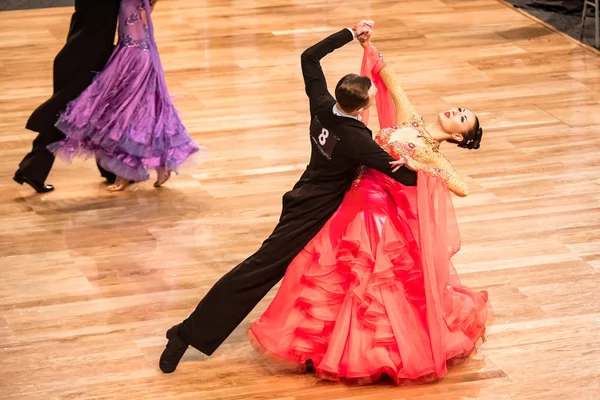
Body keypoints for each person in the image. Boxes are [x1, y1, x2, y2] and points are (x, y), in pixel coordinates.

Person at [158, 22, 419, 374]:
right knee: (260, 270)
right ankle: (185, 333)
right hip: (313, 210)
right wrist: (423, 156)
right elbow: (406, 176)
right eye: (372, 97)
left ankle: (319, 346)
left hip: (316, 198)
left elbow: (309, 57)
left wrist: (348, 34)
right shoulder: (358, 141)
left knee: (329, 274)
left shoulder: (323, 106)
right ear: (359, 109)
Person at [246, 38, 490, 385]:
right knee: (332, 274)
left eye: (462, 119)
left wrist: (419, 167)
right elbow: (389, 77)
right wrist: (367, 43)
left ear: (459, 138)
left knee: (368, 282)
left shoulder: (435, 156)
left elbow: (461, 187)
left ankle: (368, 354)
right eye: (460, 108)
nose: (456, 112)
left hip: (377, 215)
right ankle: (323, 347)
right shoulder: (410, 117)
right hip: (351, 198)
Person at [48, 0, 202, 191]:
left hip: (134, 57)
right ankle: (161, 166)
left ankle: (128, 173)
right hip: (135, 53)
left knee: (125, 117)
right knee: (143, 115)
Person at [14, 0, 122, 193]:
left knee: (94, 114)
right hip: (89, 58)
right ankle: (31, 170)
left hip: (76, 53)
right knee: (66, 116)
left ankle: (109, 170)